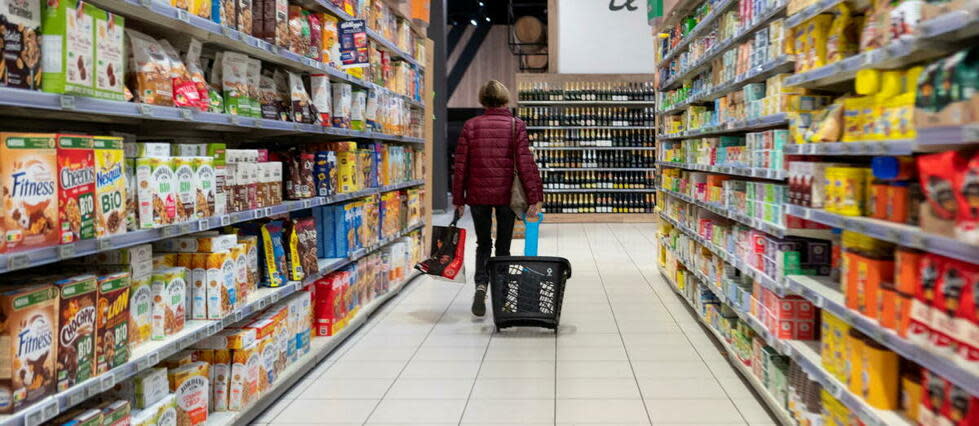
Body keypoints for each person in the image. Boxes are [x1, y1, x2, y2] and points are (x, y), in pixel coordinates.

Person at [452, 80, 544, 317]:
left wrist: (459, 200)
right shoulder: (516, 125)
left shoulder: (470, 126)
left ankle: (481, 285)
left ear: (483, 100)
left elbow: (460, 166)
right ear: (505, 98)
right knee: (503, 246)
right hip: (506, 196)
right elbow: (525, 164)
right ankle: (502, 293)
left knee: (483, 244)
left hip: (477, 194)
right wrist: (535, 198)